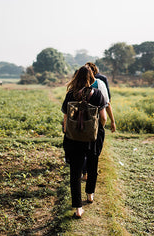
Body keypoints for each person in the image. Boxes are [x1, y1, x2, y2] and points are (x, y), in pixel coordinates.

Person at [61, 66, 109, 219]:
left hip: (74, 138)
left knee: (75, 172)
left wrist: (69, 132)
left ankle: (78, 208)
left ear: (76, 77)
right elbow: (103, 118)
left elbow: (65, 119)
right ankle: (89, 195)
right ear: (91, 78)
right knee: (92, 164)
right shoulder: (98, 94)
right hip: (92, 138)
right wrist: (96, 129)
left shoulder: (70, 95)